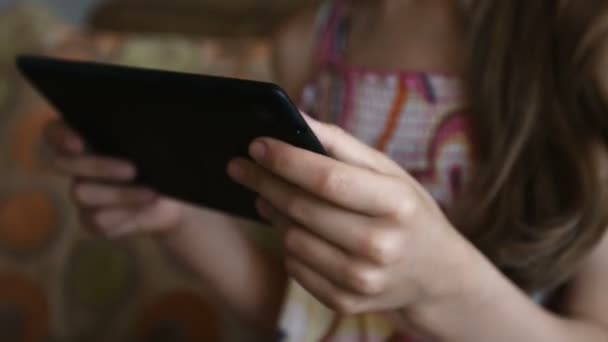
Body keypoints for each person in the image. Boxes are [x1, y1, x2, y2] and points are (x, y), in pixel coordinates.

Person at [43, 0, 608, 340]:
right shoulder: (310, 43)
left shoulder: (580, 39)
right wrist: (174, 216)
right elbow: (304, 312)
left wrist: (439, 283)